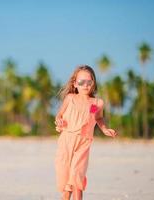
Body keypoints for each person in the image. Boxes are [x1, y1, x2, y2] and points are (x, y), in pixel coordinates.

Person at [54, 65, 118, 200]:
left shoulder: (95, 103)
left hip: (84, 142)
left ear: (93, 83)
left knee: (77, 175)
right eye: (81, 82)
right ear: (75, 83)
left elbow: (96, 117)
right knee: (65, 177)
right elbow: (59, 115)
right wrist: (59, 120)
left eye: (89, 82)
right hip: (66, 141)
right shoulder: (70, 98)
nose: (85, 85)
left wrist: (105, 129)